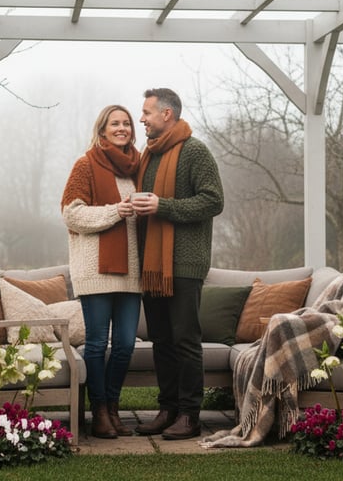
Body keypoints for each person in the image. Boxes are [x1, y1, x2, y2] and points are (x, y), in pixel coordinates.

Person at [132, 87, 224, 440]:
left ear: (166, 114)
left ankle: (190, 416)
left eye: (147, 112)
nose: (142, 119)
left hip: (184, 263)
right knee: (162, 341)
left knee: (185, 340)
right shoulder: (148, 155)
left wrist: (163, 207)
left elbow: (213, 201)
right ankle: (168, 409)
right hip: (153, 266)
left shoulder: (195, 151)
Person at [60, 104, 142, 439]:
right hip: (94, 270)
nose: (122, 128)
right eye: (115, 124)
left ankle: (112, 405)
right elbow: (71, 214)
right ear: (103, 129)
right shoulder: (86, 164)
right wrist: (115, 212)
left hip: (132, 270)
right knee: (96, 344)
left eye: (126, 123)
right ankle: (100, 411)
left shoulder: (138, 167)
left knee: (124, 345)